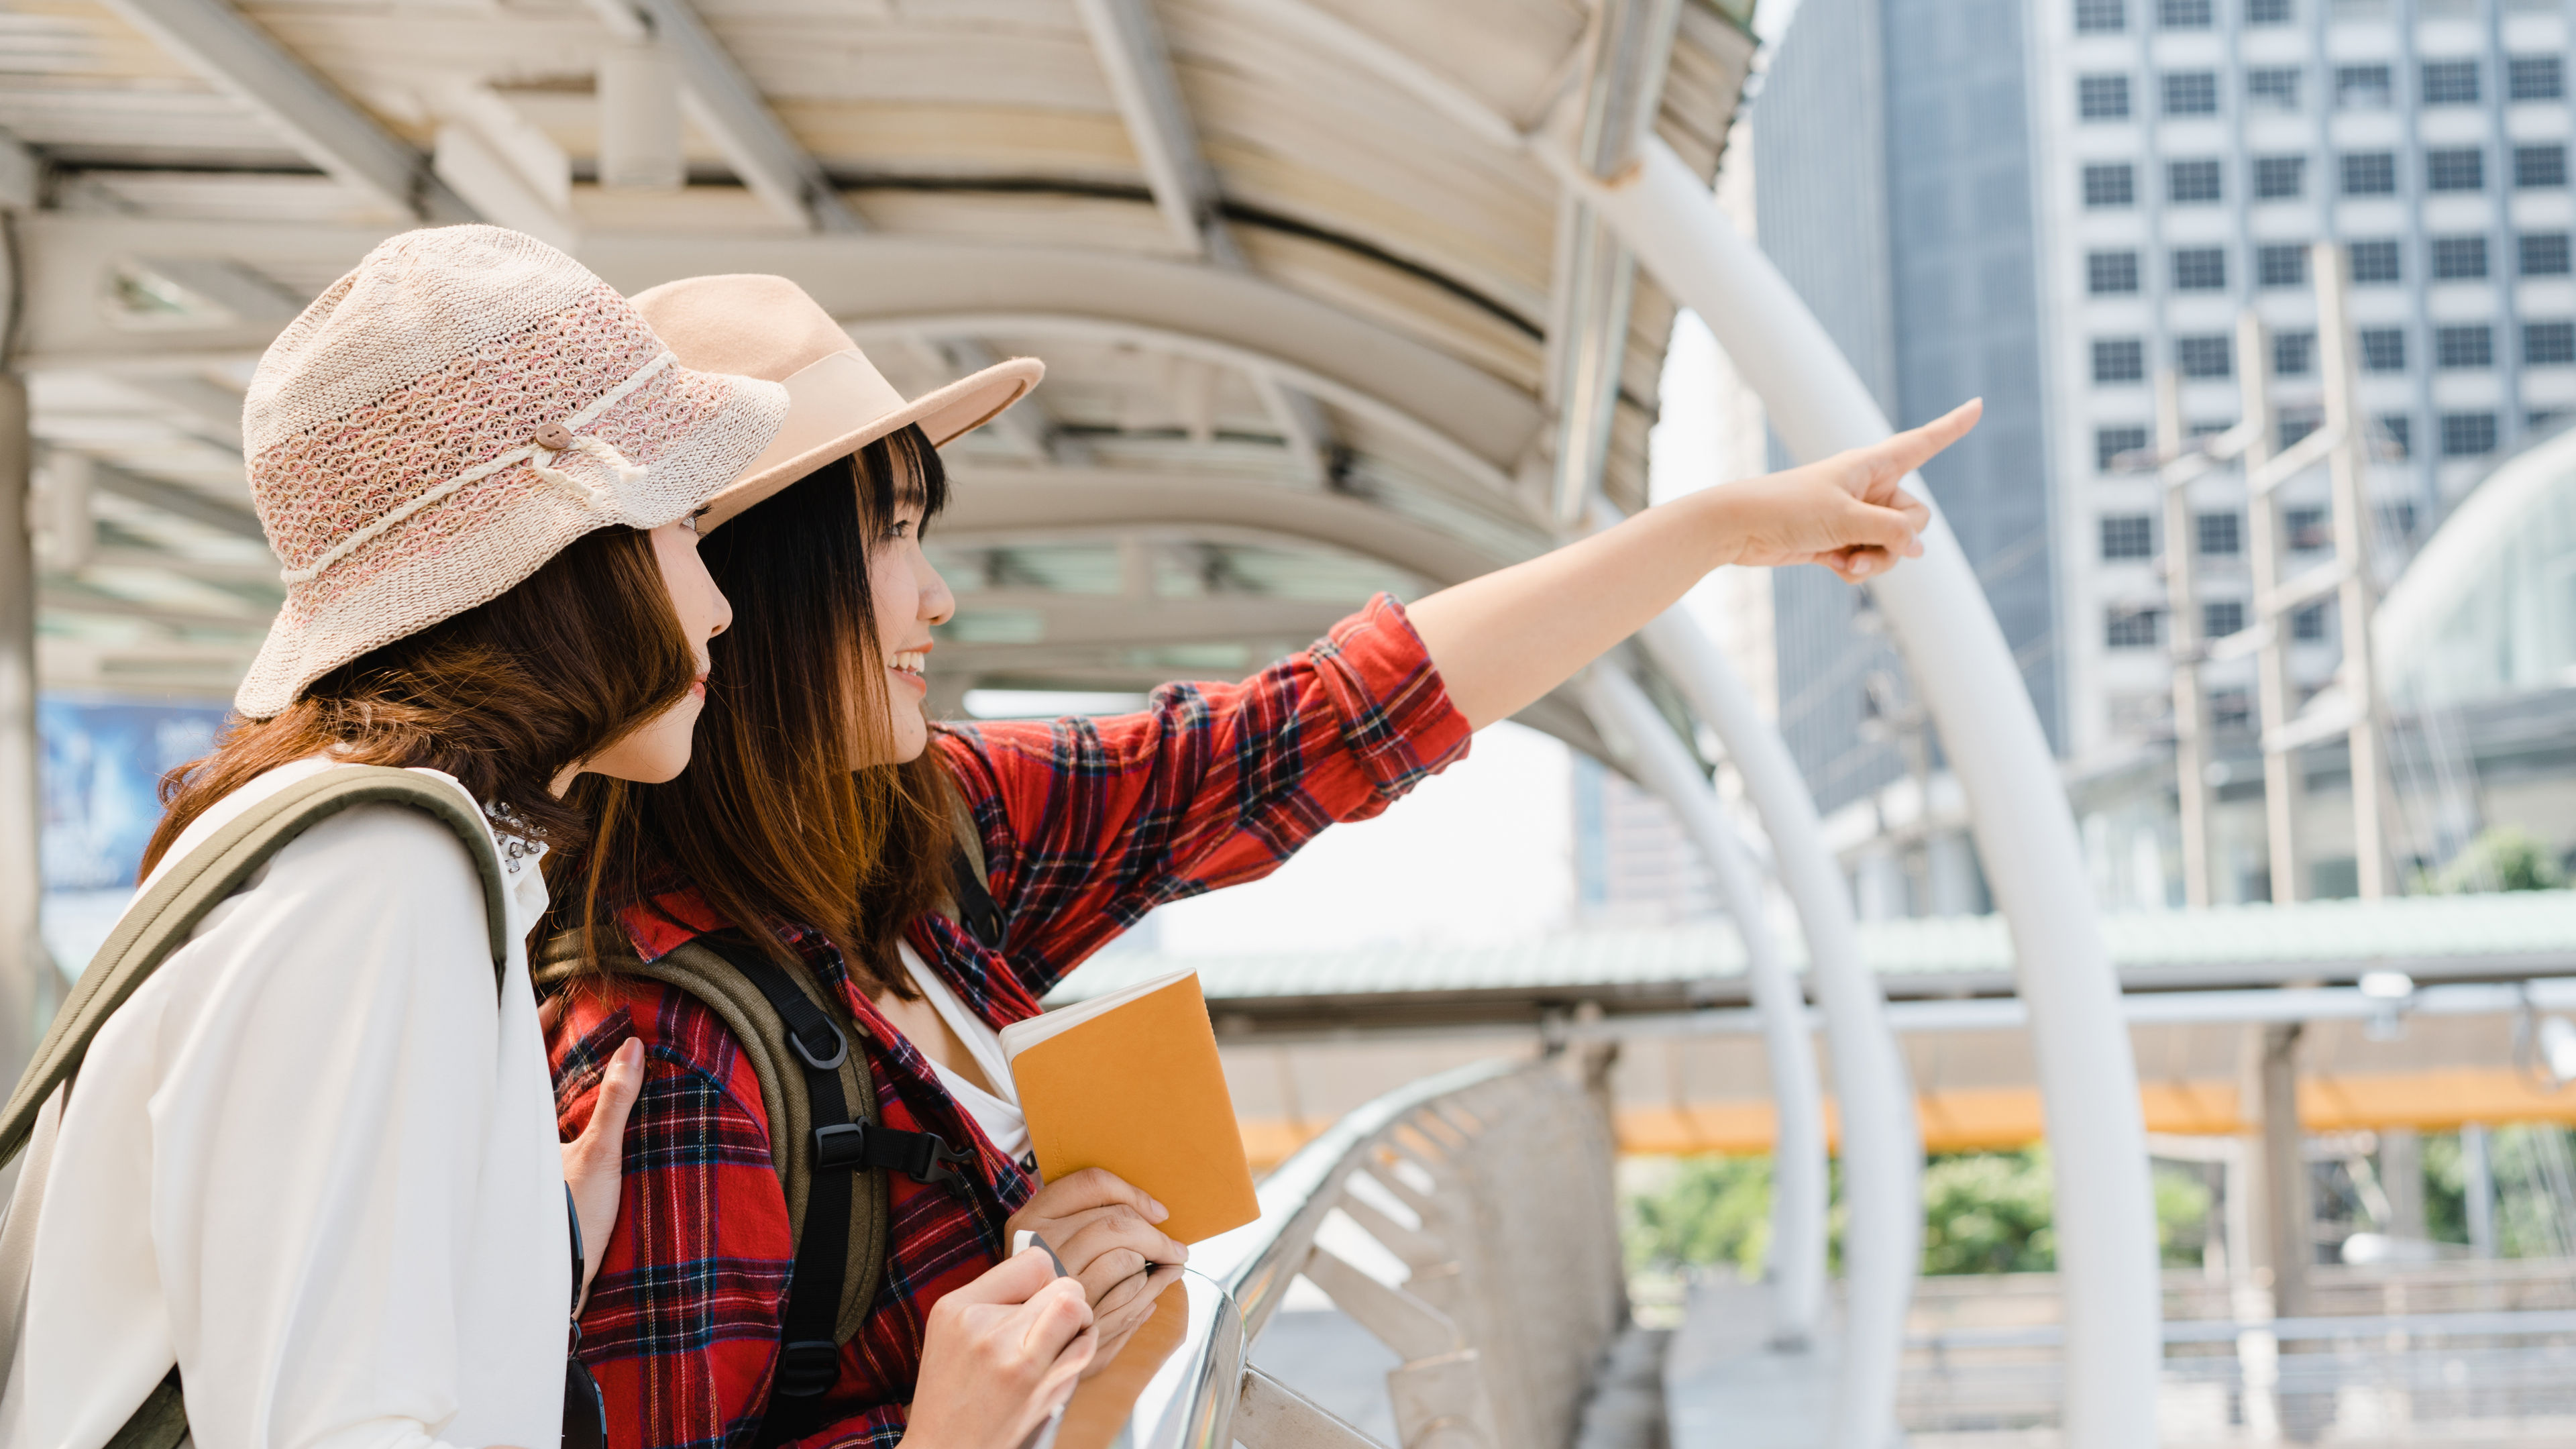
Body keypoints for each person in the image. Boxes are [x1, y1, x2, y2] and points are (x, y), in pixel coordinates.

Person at [538, 273, 1975, 1449]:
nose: (939, 593)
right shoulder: (665, 1047)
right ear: (758, 595)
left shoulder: (920, 838)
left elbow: (1306, 731)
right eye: (891, 540)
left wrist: (1715, 532)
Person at [0, 230, 1094, 1449]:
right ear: (570, 553)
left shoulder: (330, 847)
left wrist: (526, 1250)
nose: (722, 602)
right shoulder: (382, 881)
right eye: (682, 527)